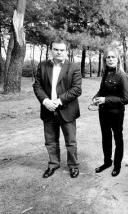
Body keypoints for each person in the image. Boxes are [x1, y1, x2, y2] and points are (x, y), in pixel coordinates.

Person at [33, 39, 82, 179]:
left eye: (62, 50)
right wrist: (45, 101)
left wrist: (59, 101)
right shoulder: (43, 66)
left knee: (71, 141)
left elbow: (77, 89)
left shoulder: (74, 67)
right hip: (48, 109)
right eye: (56, 49)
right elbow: (37, 86)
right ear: (51, 50)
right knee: (50, 140)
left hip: (67, 110)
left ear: (66, 51)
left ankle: (73, 166)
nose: (59, 52)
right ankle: (53, 164)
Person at [92, 47, 128, 177]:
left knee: (118, 139)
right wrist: (96, 97)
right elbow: (102, 91)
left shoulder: (122, 76)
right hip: (103, 113)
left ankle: (117, 165)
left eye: (113, 57)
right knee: (106, 138)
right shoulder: (106, 73)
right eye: (108, 57)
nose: (110, 59)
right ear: (105, 60)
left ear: (118, 59)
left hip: (116, 113)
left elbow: (125, 99)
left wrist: (105, 99)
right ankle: (107, 162)